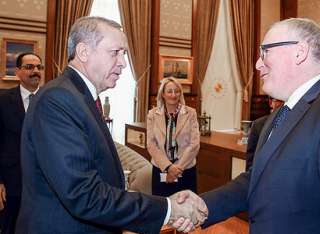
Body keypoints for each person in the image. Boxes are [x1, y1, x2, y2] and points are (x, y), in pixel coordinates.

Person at [173, 18, 320, 233]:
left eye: (265, 52)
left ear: (300, 52)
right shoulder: (277, 117)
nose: (257, 64)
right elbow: (257, 179)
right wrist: (204, 205)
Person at [15, 16, 207, 234]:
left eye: (123, 54)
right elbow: (83, 194)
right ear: (84, 52)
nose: (123, 62)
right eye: (115, 52)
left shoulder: (80, 96)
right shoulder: (58, 99)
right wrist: (168, 208)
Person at [0, 52, 42, 234]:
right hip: (12, 182)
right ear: (17, 72)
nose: (35, 71)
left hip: (45, 182)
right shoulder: (2, 101)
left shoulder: (53, 99)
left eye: (38, 67)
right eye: (29, 67)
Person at [147, 77, 200, 196]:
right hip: (161, 169)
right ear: (163, 94)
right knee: (162, 207)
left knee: (186, 209)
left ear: (180, 93)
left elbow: (194, 144)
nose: (173, 94)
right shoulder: (152, 114)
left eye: (176, 91)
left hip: (185, 169)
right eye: (169, 91)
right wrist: (168, 167)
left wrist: (177, 168)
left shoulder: (191, 113)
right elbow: (151, 144)